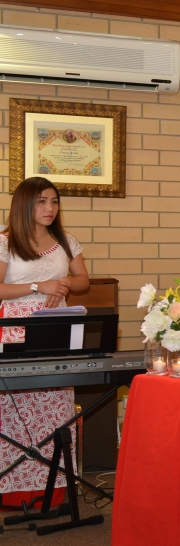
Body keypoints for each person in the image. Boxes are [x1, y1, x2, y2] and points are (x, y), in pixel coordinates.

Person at [0, 177, 90, 508]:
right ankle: (14, 493)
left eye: (54, 201)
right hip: (17, 331)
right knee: (17, 412)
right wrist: (40, 286)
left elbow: (83, 281)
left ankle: (55, 492)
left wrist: (63, 283)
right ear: (24, 204)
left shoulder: (66, 241)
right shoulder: (5, 242)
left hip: (57, 329)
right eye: (41, 201)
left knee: (56, 409)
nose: (50, 208)